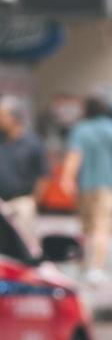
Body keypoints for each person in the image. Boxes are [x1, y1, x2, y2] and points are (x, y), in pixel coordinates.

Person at [60, 96, 112, 286]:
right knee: (102, 228)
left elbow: (74, 155)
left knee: (86, 228)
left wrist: (67, 178)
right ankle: (96, 268)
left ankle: (84, 265)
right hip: (107, 186)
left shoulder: (81, 130)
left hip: (85, 186)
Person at [0, 95, 47, 243]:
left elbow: (43, 175)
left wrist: (34, 201)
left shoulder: (32, 142)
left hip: (22, 202)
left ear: (14, 118)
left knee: (23, 242)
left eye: (2, 115)